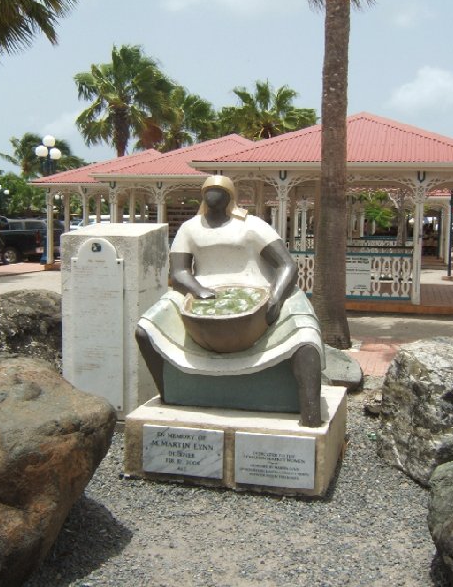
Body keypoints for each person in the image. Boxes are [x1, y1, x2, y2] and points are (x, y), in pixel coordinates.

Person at [136, 175, 324, 427]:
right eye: (208, 190)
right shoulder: (190, 228)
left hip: (260, 290)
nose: (213, 195)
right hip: (201, 291)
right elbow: (179, 272)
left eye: (219, 190)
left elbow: (286, 264)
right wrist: (199, 290)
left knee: (306, 335)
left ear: (230, 195)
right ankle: (170, 396)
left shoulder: (251, 225)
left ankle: (310, 414)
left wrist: (276, 297)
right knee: (145, 329)